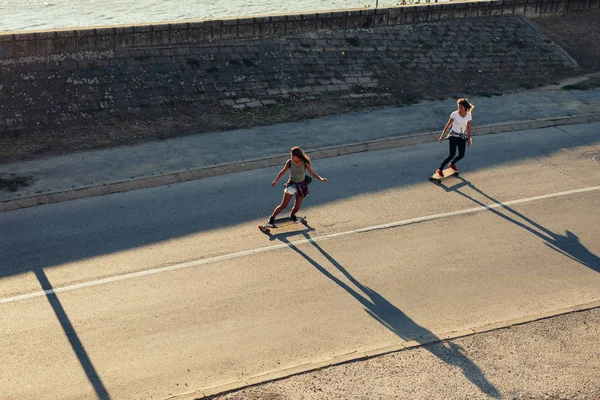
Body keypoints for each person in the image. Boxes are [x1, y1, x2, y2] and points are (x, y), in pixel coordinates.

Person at [266, 146, 327, 226]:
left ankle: (292, 215)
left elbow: (312, 173)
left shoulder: (305, 162)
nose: (292, 157)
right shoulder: (289, 162)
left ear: (298, 156)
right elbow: (283, 172)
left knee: (297, 207)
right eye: (291, 156)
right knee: (284, 205)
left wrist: (321, 178)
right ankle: (271, 218)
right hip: (291, 185)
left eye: (293, 156)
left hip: (301, 186)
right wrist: (275, 181)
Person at [436, 98, 475, 177]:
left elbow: (468, 128)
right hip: (453, 136)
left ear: (465, 107)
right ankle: (440, 169)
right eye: (458, 107)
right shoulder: (454, 114)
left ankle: (452, 164)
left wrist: (468, 139)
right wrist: (442, 136)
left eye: (461, 107)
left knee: (461, 155)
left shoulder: (468, 115)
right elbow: (448, 125)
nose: (459, 109)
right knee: (451, 155)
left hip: (462, 137)